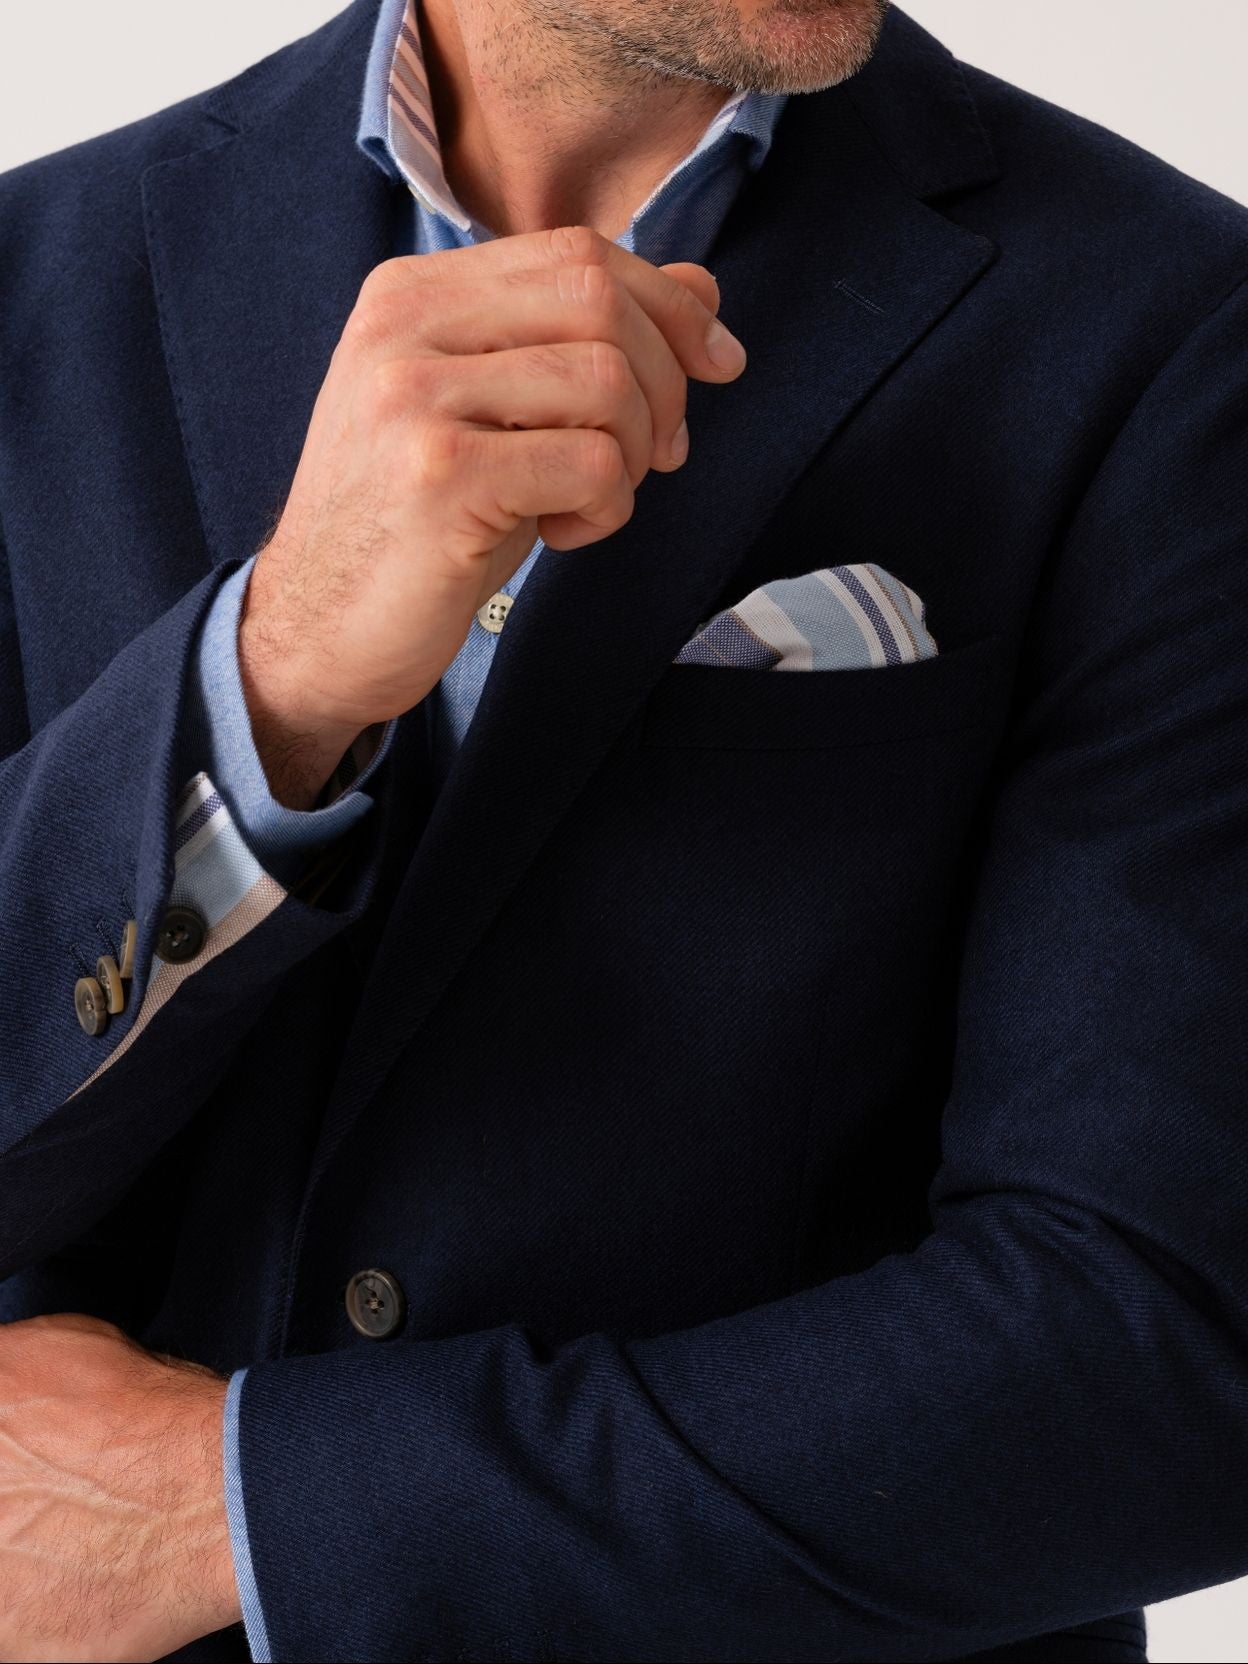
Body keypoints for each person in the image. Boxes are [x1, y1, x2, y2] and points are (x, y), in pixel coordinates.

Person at [1, 0, 1245, 1656]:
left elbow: (1165, 1342)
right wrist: (274, 675)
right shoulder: (37, 278)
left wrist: (238, 1508)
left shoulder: (1177, 329)